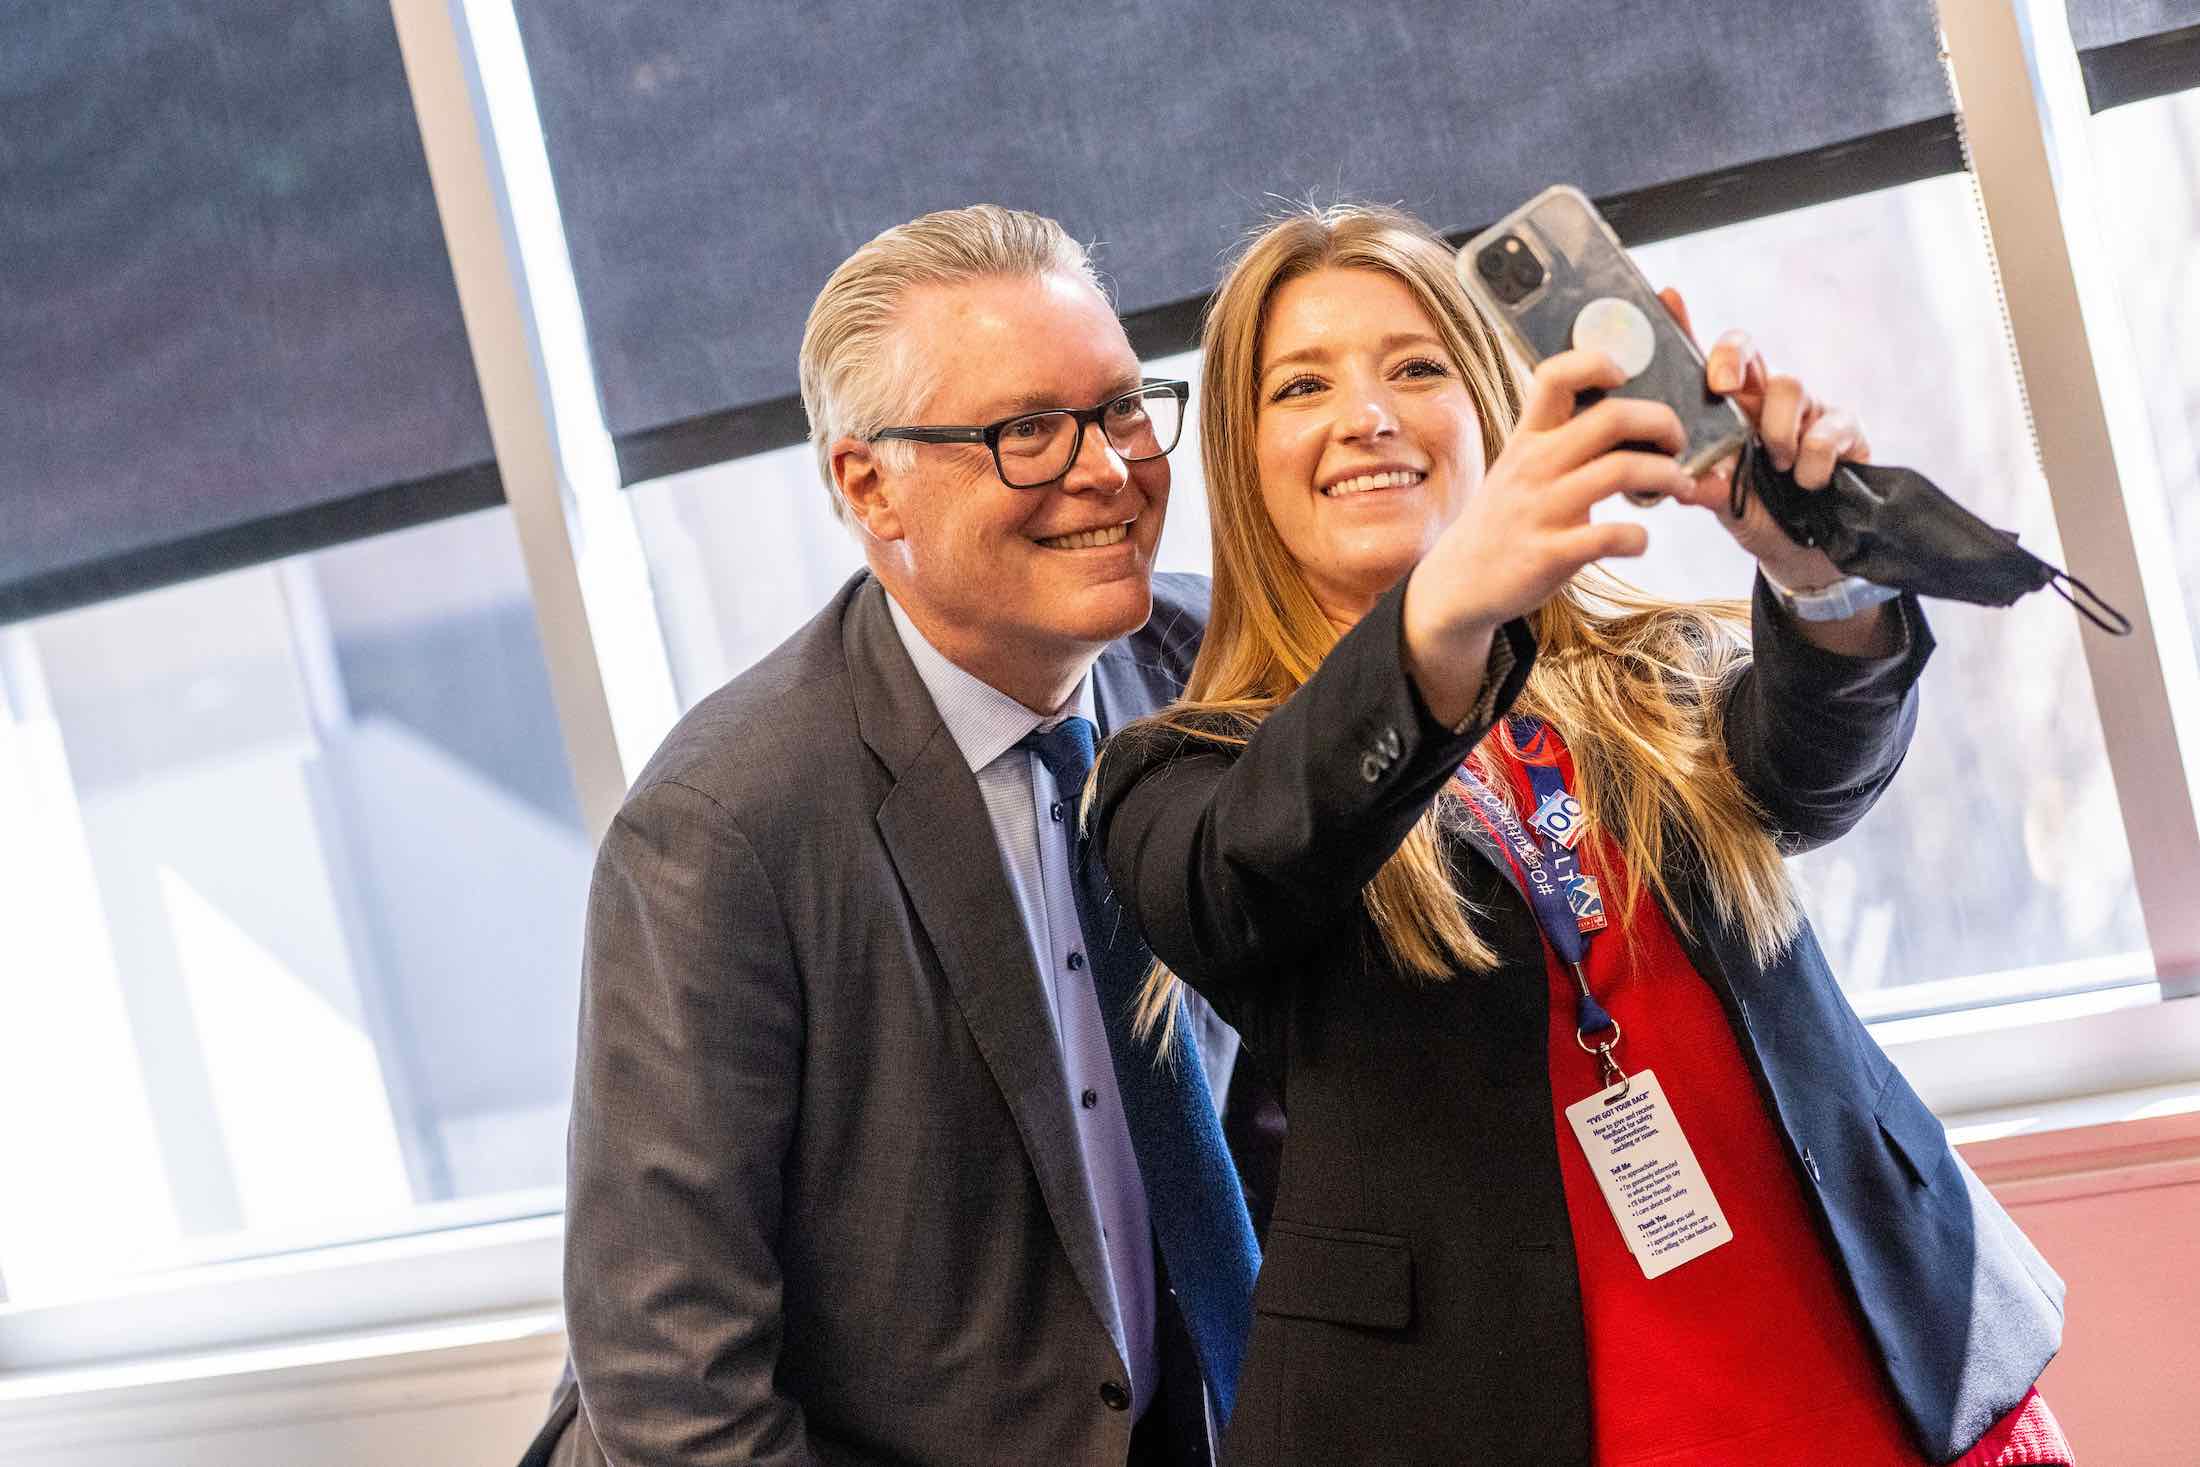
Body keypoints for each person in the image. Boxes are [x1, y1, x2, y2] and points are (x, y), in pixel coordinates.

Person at [1087, 204, 2072, 1467]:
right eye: (1300, 385)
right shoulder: (1185, 774)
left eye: (1416, 366)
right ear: (1241, 452)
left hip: (1870, 1363)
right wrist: (1437, 620)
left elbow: (1817, 775)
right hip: (1507, 1414)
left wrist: (1817, 571)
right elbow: (1245, 877)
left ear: (1492, 409)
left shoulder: (1650, 670)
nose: (1367, 414)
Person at [517, 205, 1259, 1467]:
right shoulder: (722, 829)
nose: (1106, 467)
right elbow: (672, 1381)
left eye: (1122, 406)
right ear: (868, 485)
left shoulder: (1213, 668)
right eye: (1026, 430)